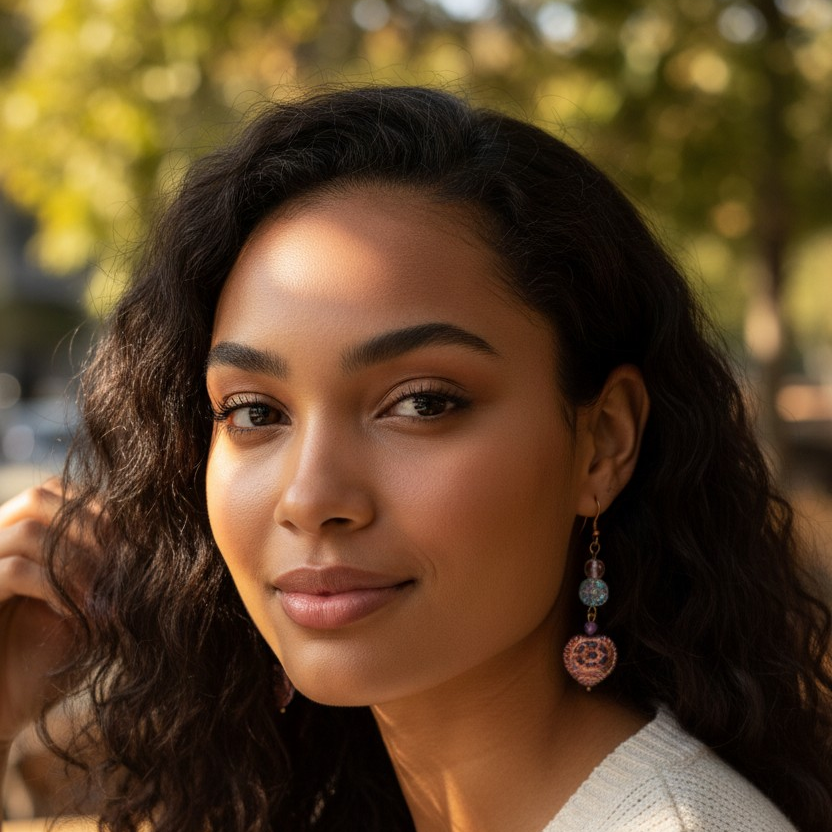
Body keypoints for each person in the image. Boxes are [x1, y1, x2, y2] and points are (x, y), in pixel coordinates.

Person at [1, 85, 830, 832]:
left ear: (603, 443)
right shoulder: (339, 800)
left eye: (423, 402)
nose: (311, 495)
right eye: (254, 411)